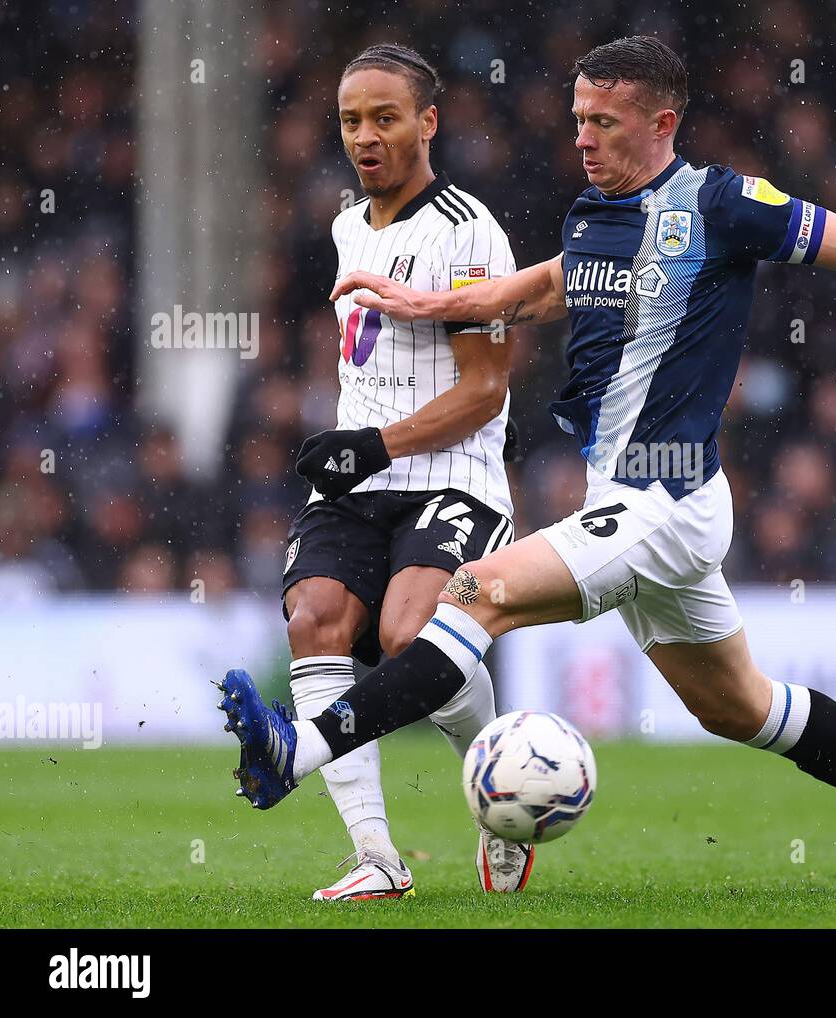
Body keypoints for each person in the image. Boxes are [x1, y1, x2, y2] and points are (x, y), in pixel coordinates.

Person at [222, 36, 836, 890]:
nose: (581, 137)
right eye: (577, 118)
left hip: (665, 495)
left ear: (662, 124)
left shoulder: (723, 204)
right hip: (640, 497)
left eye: (603, 122)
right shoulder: (595, 213)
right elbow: (539, 287)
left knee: (471, 596)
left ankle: (296, 751)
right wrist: (426, 301)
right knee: (741, 709)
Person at [279, 43, 532, 899]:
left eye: (385, 117)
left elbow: (485, 391)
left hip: (451, 473)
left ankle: (507, 797)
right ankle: (377, 860)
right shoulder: (349, 224)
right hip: (359, 479)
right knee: (314, 617)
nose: (366, 136)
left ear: (429, 121)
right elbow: (369, 358)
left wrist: (377, 443)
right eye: (352, 120)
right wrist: (347, 439)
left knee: (405, 637)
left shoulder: (469, 233)